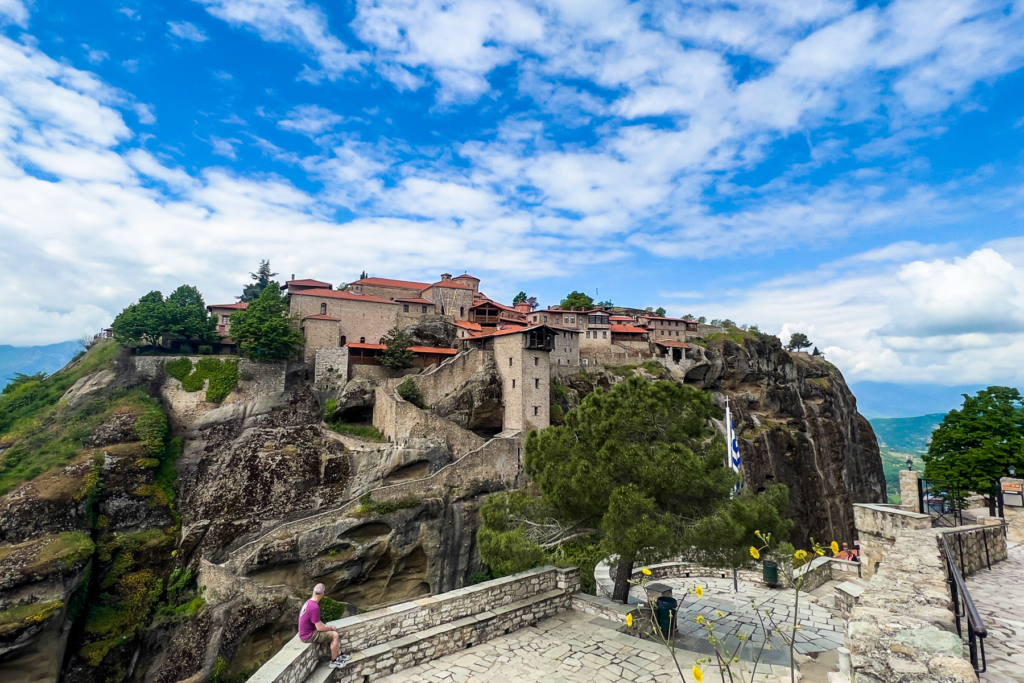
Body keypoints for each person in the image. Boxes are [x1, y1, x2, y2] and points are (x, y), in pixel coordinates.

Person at [299, 583, 349, 669]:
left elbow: (317, 622)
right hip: (308, 635)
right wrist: (329, 627)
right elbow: (319, 628)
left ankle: (339, 654)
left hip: (306, 631)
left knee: (332, 631)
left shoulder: (309, 602)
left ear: (313, 592)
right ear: (323, 593)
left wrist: (327, 627)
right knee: (335, 635)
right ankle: (334, 661)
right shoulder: (314, 607)